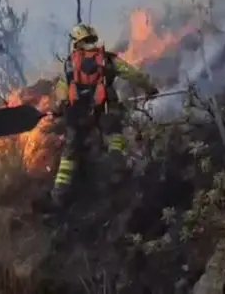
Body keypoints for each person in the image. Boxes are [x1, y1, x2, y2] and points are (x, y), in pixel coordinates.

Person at [50, 23, 158, 206]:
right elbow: (132, 74)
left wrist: (59, 106)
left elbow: (62, 89)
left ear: (76, 42)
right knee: (115, 135)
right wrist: (150, 88)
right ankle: (116, 169)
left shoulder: (69, 63)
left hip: (78, 113)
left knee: (71, 151)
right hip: (106, 107)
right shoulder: (107, 59)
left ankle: (59, 193)